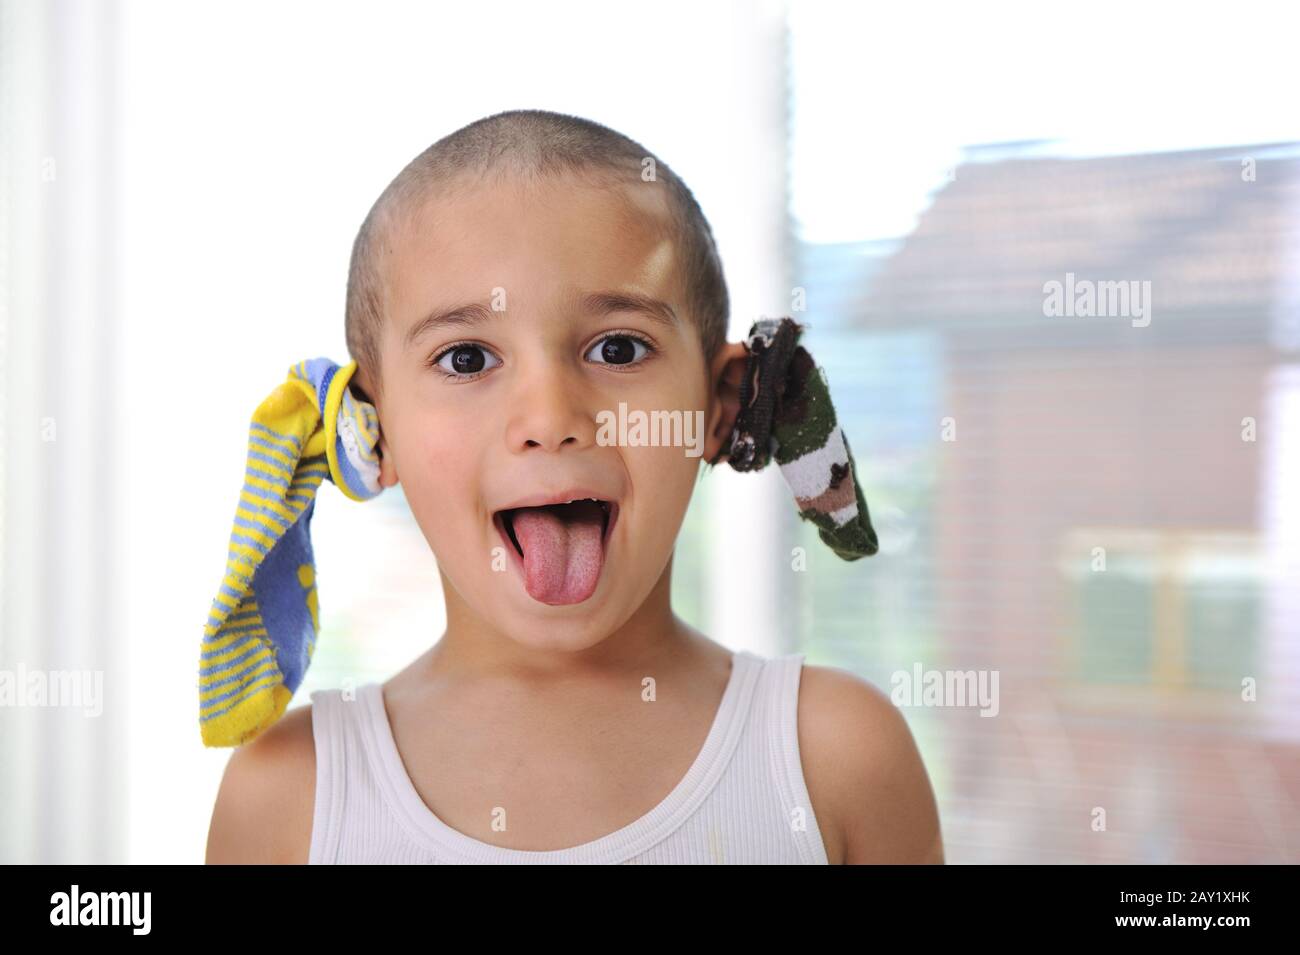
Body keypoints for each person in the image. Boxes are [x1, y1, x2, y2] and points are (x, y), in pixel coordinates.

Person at [205, 108, 942, 864]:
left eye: (618, 348)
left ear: (723, 410)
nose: (551, 417)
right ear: (370, 430)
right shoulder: (290, 799)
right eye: (466, 359)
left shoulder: (836, 762)